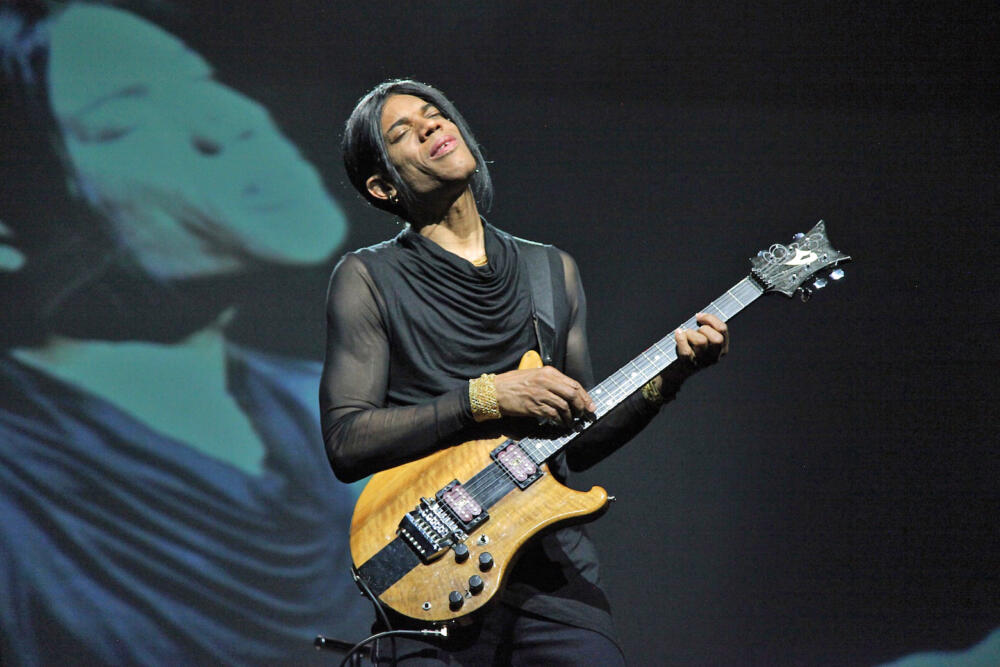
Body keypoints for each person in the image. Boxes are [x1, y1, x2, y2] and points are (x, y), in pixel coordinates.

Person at [0, 3, 366, 663]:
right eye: (124, 119)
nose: (232, 122)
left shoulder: (326, 406)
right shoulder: (18, 491)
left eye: (200, 80)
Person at [321, 79, 730, 665]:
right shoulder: (367, 278)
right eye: (402, 133)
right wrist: (486, 398)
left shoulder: (550, 270)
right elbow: (346, 440)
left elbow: (580, 437)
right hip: (433, 570)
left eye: (434, 115)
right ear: (383, 185)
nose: (432, 127)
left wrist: (670, 379)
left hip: (555, 580)